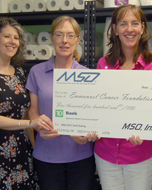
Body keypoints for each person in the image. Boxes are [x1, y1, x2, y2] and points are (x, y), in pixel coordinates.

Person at [0, 17, 53, 190]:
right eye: (7, 36)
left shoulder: (21, 74)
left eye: (16, 38)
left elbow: (27, 111)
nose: (12, 42)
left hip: (20, 147)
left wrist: (34, 147)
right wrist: (30, 123)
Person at [94, 4, 152, 190]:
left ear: (142, 28)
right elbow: (98, 106)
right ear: (115, 29)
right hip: (107, 153)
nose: (129, 29)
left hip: (140, 153)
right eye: (123, 24)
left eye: (134, 23)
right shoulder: (103, 64)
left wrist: (148, 132)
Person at [25, 16, 96, 190]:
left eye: (70, 36)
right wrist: (38, 125)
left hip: (81, 156)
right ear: (52, 38)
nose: (64, 40)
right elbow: (33, 111)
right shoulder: (37, 72)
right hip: (47, 156)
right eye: (59, 35)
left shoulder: (88, 75)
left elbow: (93, 115)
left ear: (78, 40)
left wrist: (88, 133)